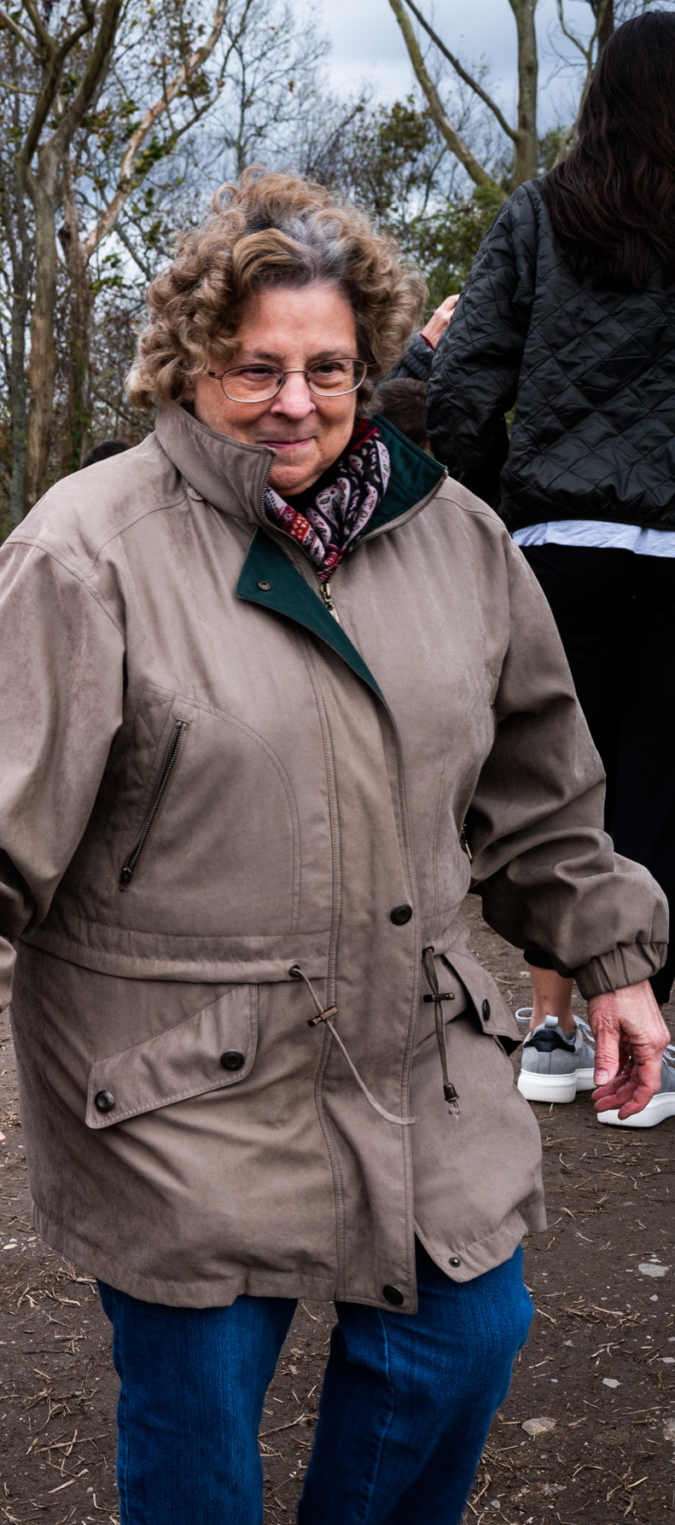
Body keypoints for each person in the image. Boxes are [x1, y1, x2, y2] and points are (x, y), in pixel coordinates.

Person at [0, 171, 669, 1525]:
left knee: (467, 1325)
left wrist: (614, 952)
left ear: (370, 366)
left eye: (326, 368)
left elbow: (544, 796)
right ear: (188, 364)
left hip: (410, 1030)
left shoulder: (460, 541)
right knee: (200, 1397)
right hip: (172, 1058)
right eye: (254, 368)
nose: (293, 403)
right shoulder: (88, 548)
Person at [431, 10, 675, 1124]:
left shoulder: (537, 216)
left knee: (551, 791)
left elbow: (465, 384)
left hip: (553, 549)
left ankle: (552, 1028)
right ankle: (652, 1046)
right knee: (660, 792)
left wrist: (476, 522)